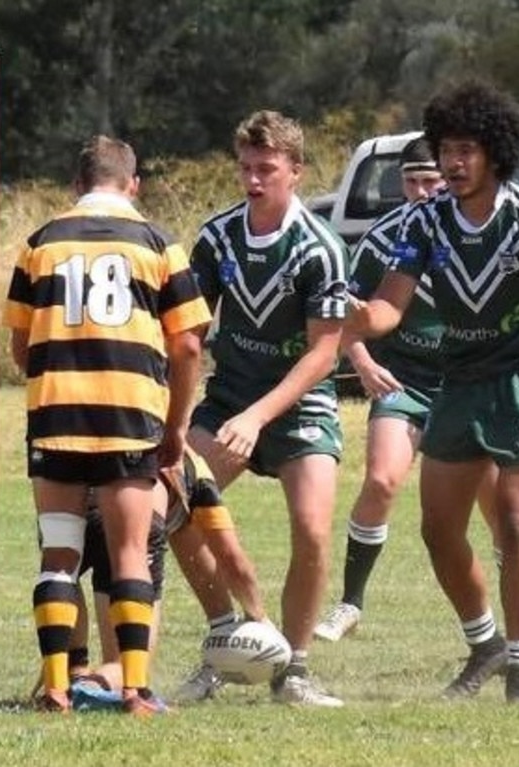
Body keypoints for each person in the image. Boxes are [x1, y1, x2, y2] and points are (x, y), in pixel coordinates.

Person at [346, 80, 519, 703]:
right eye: (446, 150)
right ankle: (485, 643)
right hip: (457, 379)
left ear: (495, 152)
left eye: (467, 150)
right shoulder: (423, 221)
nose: (454, 163)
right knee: (438, 530)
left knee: (516, 519)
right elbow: (390, 307)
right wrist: (355, 319)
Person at [5, 135, 211, 715]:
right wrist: (174, 426)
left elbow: (21, 345)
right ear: (133, 184)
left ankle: (54, 685)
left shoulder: (40, 244)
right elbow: (189, 345)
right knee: (128, 555)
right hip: (129, 414)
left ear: (77, 186)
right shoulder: (158, 244)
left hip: (56, 415)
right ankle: (135, 689)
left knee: (60, 555)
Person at [187, 110, 349, 707]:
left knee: (311, 531)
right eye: (246, 168)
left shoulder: (321, 249)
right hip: (228, 397)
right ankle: (228, 636)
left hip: (300, 405)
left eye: (267, 169)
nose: (254, 180)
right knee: (174, 508)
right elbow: (188, 327)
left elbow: (323, 355)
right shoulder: (217, 237)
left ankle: (295, 671)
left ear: (296, 172)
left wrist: (258, 417)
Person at [314, 137, 500, 642]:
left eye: (432, 181)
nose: (423, 191)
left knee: (497, 502)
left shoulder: (481, 232)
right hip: (406, 381)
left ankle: (514, 613)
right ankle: (350, 604)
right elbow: (344, 315)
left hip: (466, 386)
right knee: (381, 482)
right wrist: (365, 363)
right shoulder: (383, 239)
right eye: (413, 181)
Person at [53, 447, 270, 708]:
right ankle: (86, 687)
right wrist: (260, 617)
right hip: (132, 528)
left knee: (62, 576)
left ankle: (73, 673)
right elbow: (233, 561)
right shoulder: (194, 468)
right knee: (127, 668)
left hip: (67, 501)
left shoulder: (114, 433)